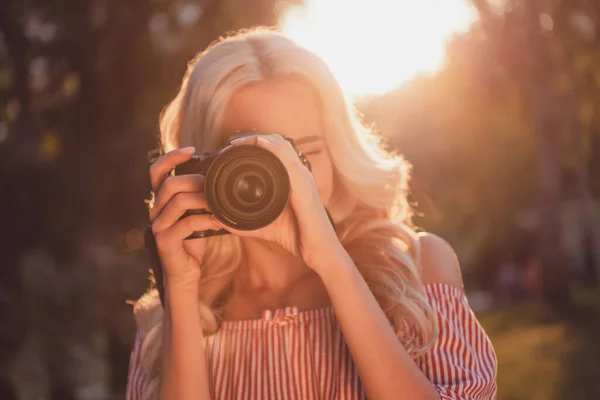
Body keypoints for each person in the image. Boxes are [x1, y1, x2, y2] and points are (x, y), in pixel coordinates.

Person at [127, 28, 497, 400]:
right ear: (200, 168)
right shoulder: (169, 319)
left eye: (302, 155)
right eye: (253, 160)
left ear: (338, 155)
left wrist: (331, 261)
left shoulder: (414, 273)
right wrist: (182, 290)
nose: (286, 180)